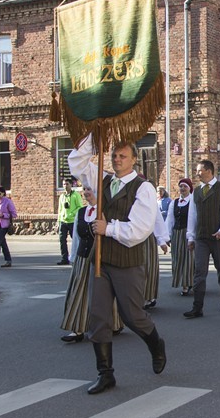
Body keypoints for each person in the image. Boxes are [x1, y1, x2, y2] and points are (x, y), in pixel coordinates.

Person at [68, 134, 167, 395]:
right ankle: (105, 373)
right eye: (114, 155)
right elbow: (76, 163)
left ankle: (156, 343)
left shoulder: (143, 188)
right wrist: (94, 137)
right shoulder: (104, 179)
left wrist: (107, 228)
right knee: (98, 318)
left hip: (128, 262)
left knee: (132, 316)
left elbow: (140, 229)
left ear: (135, 159)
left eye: (123, 156)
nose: (117, 159)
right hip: (101, 261)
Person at [61, 186, 124, 343]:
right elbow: (77, 236)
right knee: (79, 292)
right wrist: (73, 257)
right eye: (85, 189)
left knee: (105, 292)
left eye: (90, 189)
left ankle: (114, 324)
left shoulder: (106, 212)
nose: (86, 193)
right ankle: (77, 328)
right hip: (83, 258)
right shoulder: (81, 212)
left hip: (101, 258)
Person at [184, 160, 220, 317]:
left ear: (209, 171)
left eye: (199, 170)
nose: (197, 173)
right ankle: (197, 307)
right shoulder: (196, 192)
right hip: (201, 237)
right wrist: (191, 237)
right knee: (199, 271)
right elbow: (192, 216)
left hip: (218, 237)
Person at [165, 178, 194, 296]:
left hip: (188, 232)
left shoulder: (193, 201)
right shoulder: (174, 202)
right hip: (177, 233)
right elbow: (170, 219)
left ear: (189, 188)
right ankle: (182, 281)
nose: (182, 189)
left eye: (185, 186)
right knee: (177, 258)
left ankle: (186, 284)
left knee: (188, 259)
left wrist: (193, 236)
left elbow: (194, 219)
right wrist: (168, 235)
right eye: (181, 186)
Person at [143, 202, 170, 310]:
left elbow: (157, 219)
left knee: (149, 267)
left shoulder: (149, 200)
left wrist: (162, 240)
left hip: (148, 237)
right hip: (132, 236)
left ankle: (148, 297)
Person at [57, 177, 83, 265]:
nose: (65, 186)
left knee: (75, 240)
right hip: (63, 221)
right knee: (62, 240)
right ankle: (64, 258)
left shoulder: (76, 195)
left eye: (67, 184)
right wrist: (59, 220)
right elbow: (60, 209)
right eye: (64, 184)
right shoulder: (62, 196)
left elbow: (80, 207)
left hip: (72, 221)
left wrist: (72, 214)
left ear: (71, 185)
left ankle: (76, 257)